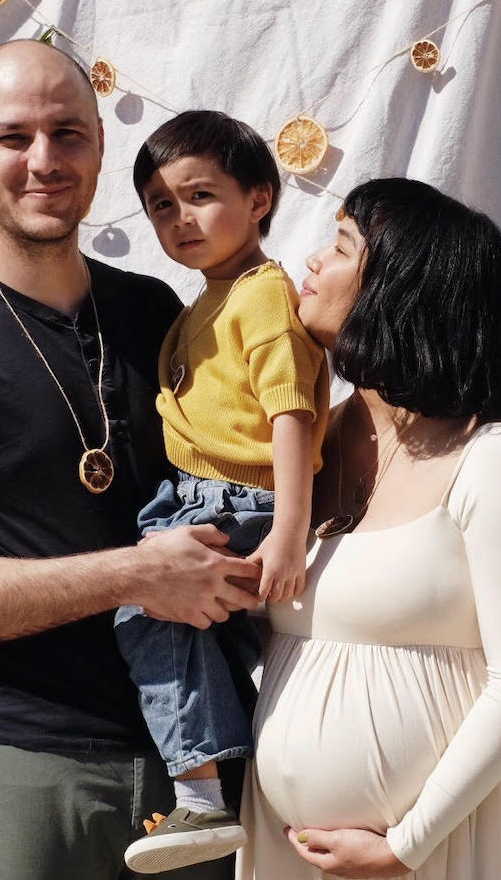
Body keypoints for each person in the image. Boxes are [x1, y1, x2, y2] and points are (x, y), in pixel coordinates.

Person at [0, 40, 261, 880]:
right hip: (27, 770)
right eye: (13, 137)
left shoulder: (157, 310)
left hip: (203, 771)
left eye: (68, 132)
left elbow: (258, 453)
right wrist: (133, 574)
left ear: (101, 148)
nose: (44, 160)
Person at [237, 178, 501, 879]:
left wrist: (405, 843)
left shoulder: (490, 459)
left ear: (399, 289)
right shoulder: (309, 444)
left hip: (444, 844)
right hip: (288, 845)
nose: (313, 261)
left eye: (341, 245)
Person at [116, 110, 330, 874]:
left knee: (148, 604)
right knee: (194, 626)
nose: (180, 218)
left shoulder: (262, 296)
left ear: (260, 198)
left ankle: (202, 796)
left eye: (200, 195)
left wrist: (289, 529)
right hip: (197, 497)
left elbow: (291, 410)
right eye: (161, 206)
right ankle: (236, 786)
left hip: (240, 501)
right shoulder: (210, 299)